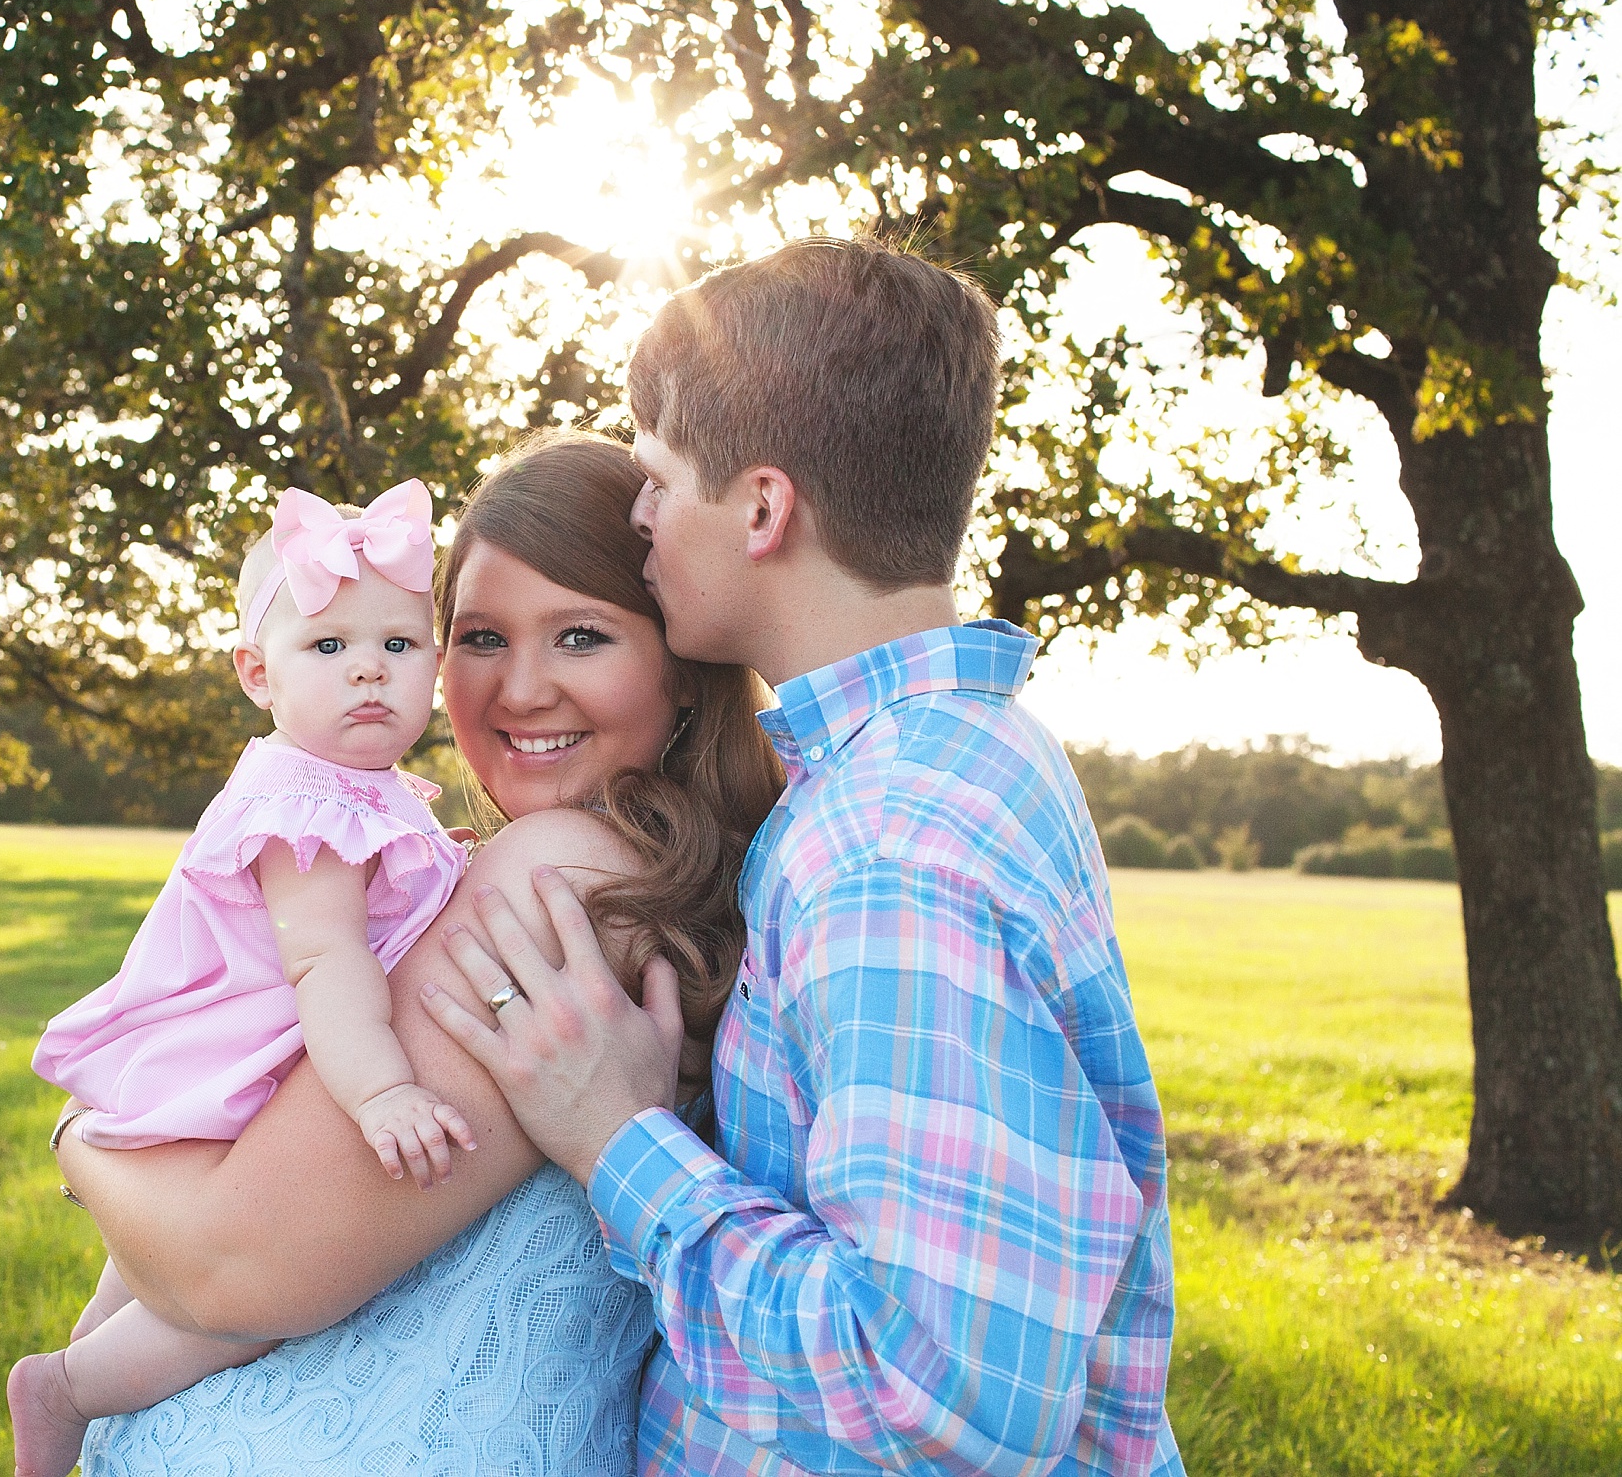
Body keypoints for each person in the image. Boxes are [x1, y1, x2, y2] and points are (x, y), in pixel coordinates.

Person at [420, 237, 1187, 1474]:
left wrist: (615, 1137)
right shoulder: (967, 753)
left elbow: (942, 1402)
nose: (640, 517)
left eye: (660, 481)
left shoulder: (884, 848)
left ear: (764, 509)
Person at [52, 433, 784, 1475]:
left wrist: (81, 1140)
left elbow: (238, 1267)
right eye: (480, 638)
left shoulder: (564, 874)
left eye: (581, 636)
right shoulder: (655, 862)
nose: (520, 689)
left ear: (680, 666)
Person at [8, 479, 480, 1477]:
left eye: (398, 648)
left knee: (150, 1273)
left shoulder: (350, 788)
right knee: (243, 1307)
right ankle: (68, 1391)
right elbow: (326, 958)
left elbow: (382, 902)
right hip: (243, 1059)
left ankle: (83, 1420)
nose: (369, 675)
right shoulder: (308, 806)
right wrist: (385, 1089)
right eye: (328, 648)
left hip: (219, 1057)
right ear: (256, 674)